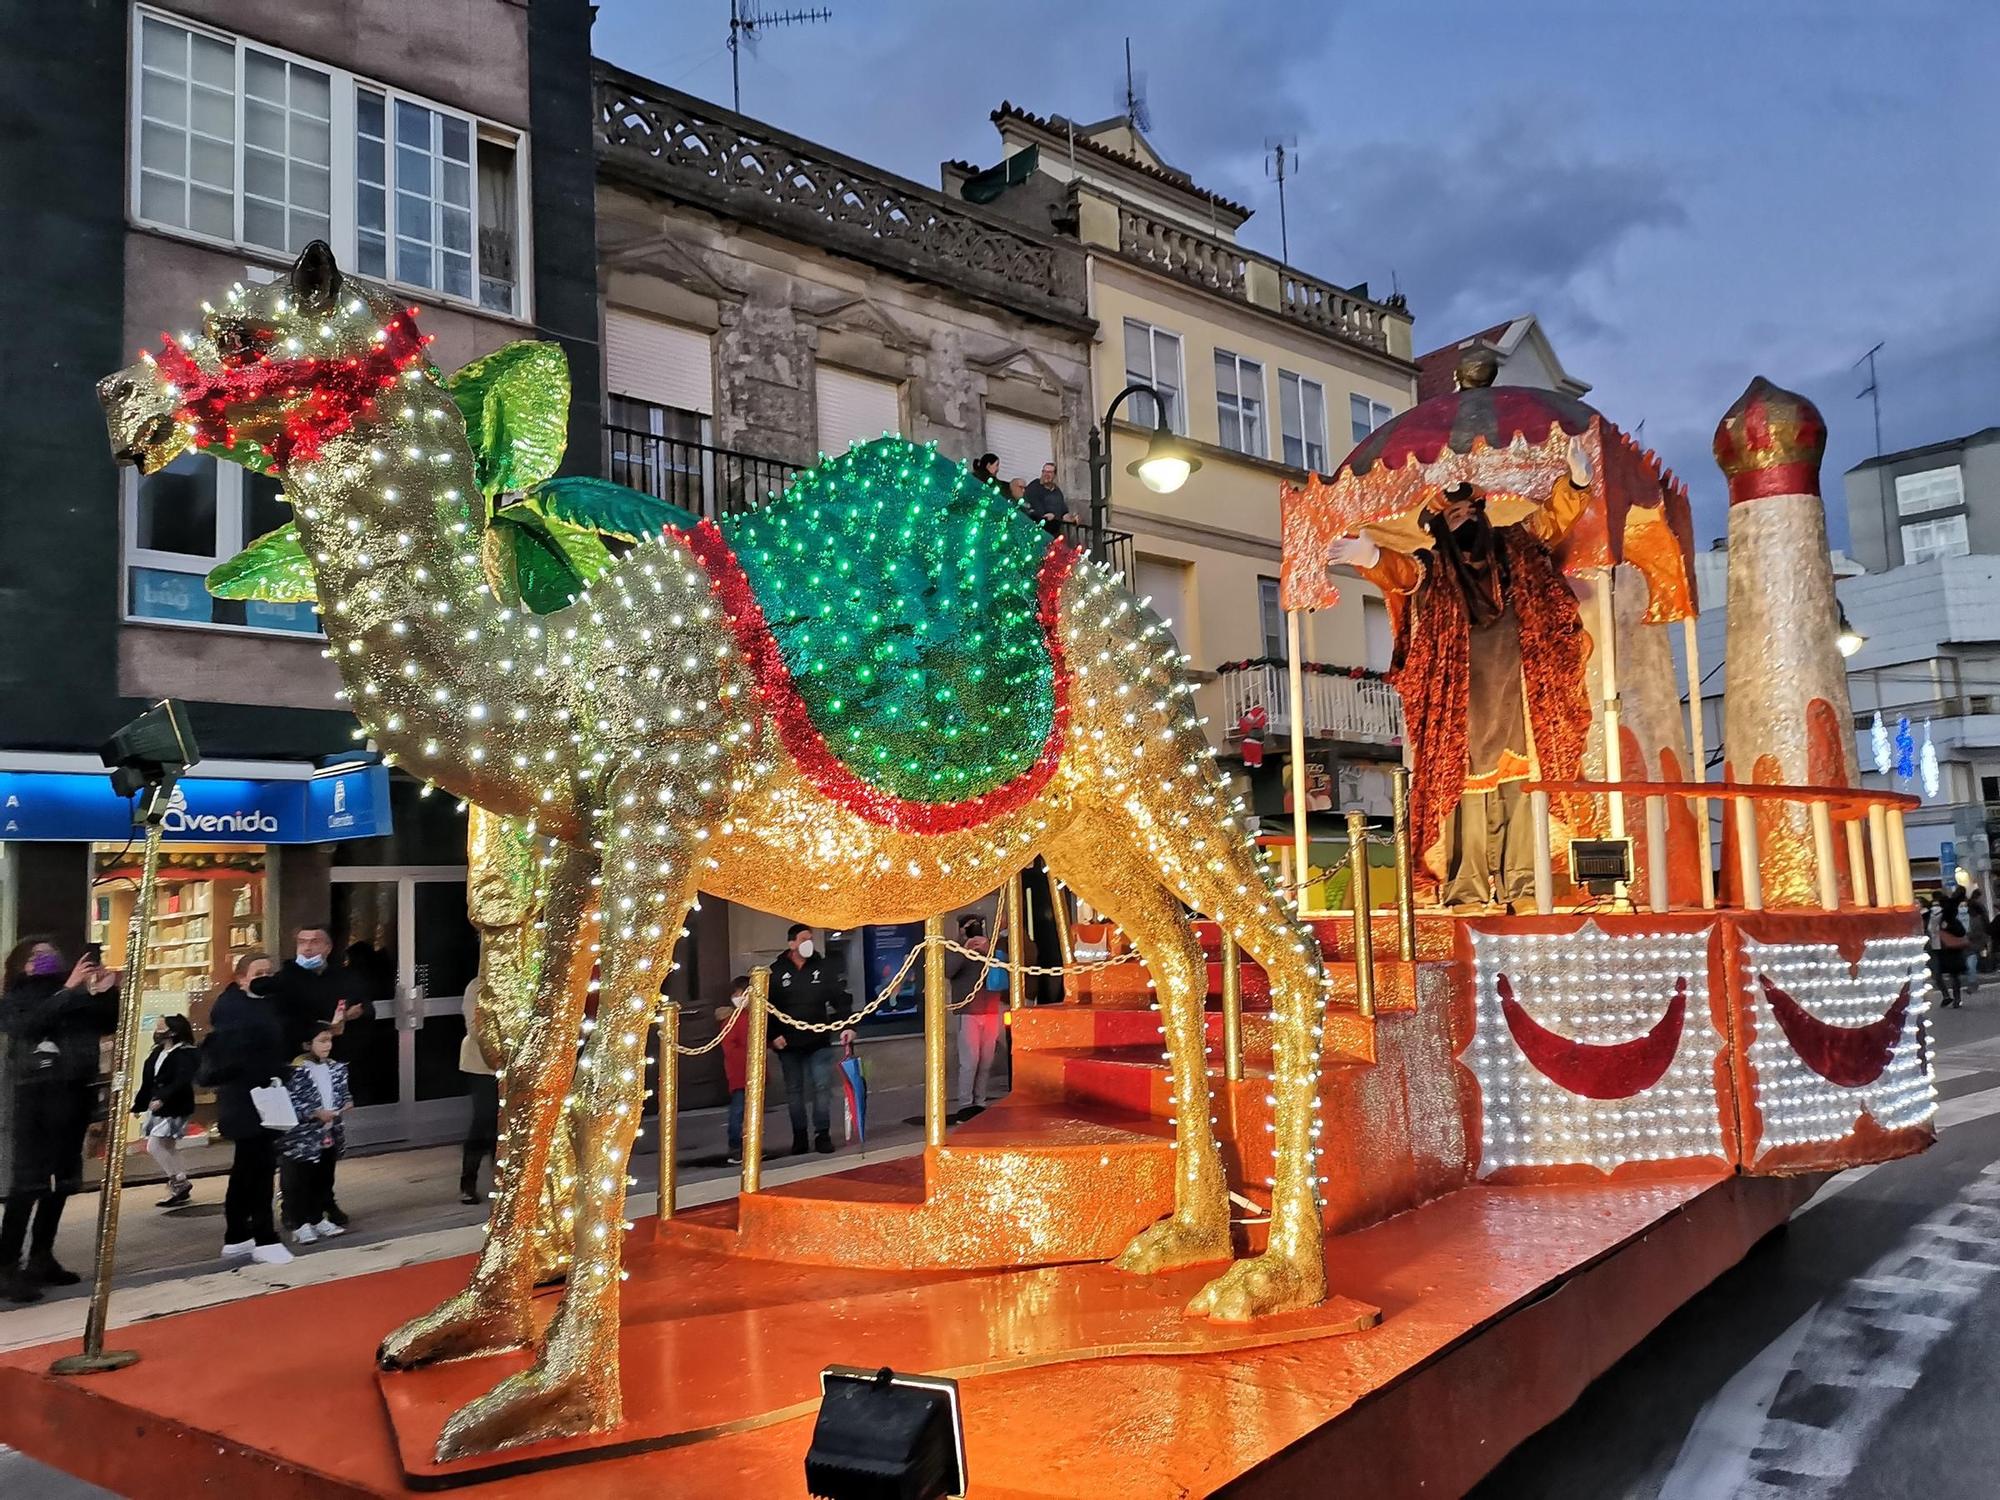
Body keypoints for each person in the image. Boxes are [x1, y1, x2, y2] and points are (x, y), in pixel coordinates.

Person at [1328, 450, 1592, 912]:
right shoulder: (1434, 567)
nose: (1464, 519)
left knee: (1522, 792)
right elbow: (1404, 574)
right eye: (1453, 514)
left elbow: (1552, 522)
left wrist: (1576, 483)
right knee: (1462, 799)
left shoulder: (1519, 549)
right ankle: (1466, 889)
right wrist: (1370, 556)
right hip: (1460, 700)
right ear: (1439, 524)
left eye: (1470, 510)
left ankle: (1525, 888)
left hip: (1521, 691)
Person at [0, 938, 119, 1297]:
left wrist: (103, 993)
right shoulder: (14, 999)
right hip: (33, 1095)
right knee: (28, 1183)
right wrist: (69, 989)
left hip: (72, 1090)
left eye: (52, 954)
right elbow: (27, 1027)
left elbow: (105, 1025)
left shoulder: (73, 996)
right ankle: (6, 1265)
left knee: (63, 1180)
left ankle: (42, 1255)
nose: (46, 960)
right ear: (22, 964)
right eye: (37, 956)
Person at [256, 925, 360, 1224]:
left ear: (327, 947)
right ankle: (293, 1209)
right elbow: (275, 1009)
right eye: (302, 941)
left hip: (329, 1067)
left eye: (315, 942)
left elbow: (360, 1002)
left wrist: (352, 1013)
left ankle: (325, 1202)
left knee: (327, 1143)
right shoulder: (286, 978)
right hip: (296, 1068)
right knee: (298, 1146)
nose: (308, 947)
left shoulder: (339, 977)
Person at [205, 951, 293, 1264]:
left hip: (262, 1097)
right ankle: (264, 1236)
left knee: (247, 1167)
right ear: (241, 978)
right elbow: (245, 1051)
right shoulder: (232, 1008)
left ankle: (238, 1235)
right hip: (246, 1099)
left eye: (270, 971)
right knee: (258, 1167)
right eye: (258, 972)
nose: (265, 976)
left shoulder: (265, 1005)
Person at [767, 925, 854, 1155]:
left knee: (821, 1087)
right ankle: (800, 1137)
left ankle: (822, 1135)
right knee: (794, 1091)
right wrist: (772, 1036)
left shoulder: (822, 967)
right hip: (788, 1044)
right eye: (804, 939)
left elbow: (840, 998)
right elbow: (768, 1008)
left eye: (811, 939)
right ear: (792, 943)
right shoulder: (776, 971)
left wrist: (849, 1025)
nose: (809, 943)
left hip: (818, 1040)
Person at [944, 915, 1027, 1120]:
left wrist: (989, 949)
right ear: (961, 930)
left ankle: (979, 1102)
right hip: (968, 1011)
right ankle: (965, 1104)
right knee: (969, 1061)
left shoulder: (990, 946)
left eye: (977, 926)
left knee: (986, 1060)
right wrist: (965, 949)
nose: (974, 931)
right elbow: (948, 971)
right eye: (969, 927)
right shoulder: (955, 948)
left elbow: (1007, 966)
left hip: (990, 1007)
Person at [279, 1026, 352, 1245]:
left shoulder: (335, 1068)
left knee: (323, 1177)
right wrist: (313, 1113)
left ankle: (318, 1218)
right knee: (299, 1181)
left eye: (329, 1041)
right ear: (307, 1045)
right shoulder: (294, 1070)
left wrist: (345, 1102)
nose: (327, 1045)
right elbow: (288, 1104)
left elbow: (341, 1092)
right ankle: (300, 1223)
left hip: (327, 1132)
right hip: (301, 1137)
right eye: (322, 1041)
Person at [132, 1012, 200, 1208]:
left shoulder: (185, 1054)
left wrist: (162, 1098)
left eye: (161, 1027)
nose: (157, 1031)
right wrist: (140, 1104)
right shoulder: (157, 1053)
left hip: (175, 1105)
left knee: (155, 1145)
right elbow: (148, 1081)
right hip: (158, 1105)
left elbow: (181, 1079)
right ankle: (180, 1182)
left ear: (173, 1031)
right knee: (167, 1145)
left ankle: (178, 1181)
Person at [458, 974, 498, 1206]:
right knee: (483, 1120)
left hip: (511, 1065)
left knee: (503, 1124)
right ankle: (468, 1182)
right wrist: (497, 1053)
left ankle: (501, 1180)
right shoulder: (476, 986)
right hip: (481, 1065)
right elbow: (475, 1027)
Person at [717, 975, 751, 1165]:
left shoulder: (753, 1016)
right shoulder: (731, 1020)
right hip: (739, 1074)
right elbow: (730, 1049)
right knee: (738, 1111)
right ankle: (735, 1147)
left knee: (750, 1112)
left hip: (752, 1072)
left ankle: (749, 1146)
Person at [1936, 890, 1970, 1009]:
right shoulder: (1954, 921)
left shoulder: (1941, 920)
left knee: (1950, 975)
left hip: (1945, 950)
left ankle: (1954, 997)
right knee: (1955, 976)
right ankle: (1957, 998)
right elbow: (1962, 932)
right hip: (1955, 951)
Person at [1022, 462, 1069, 535]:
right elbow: (1034, 508)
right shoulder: (1034, 487)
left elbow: (1063, 511)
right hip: (1036, 530)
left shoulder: (1057, 491)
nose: (1046, 474)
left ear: (1054, 475)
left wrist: (1071, 518)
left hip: (1053, 533)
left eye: (1049, 472)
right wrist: (1046, 515)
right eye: (1044, 471)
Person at [1967, 890, 1991, 990]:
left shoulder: (1969, 918)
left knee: (1971, 960)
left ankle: (1973, 982)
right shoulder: (1980, 917)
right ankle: (1985, 968)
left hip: (1971, 941)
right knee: (1980, 955)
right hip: (1980, 939)